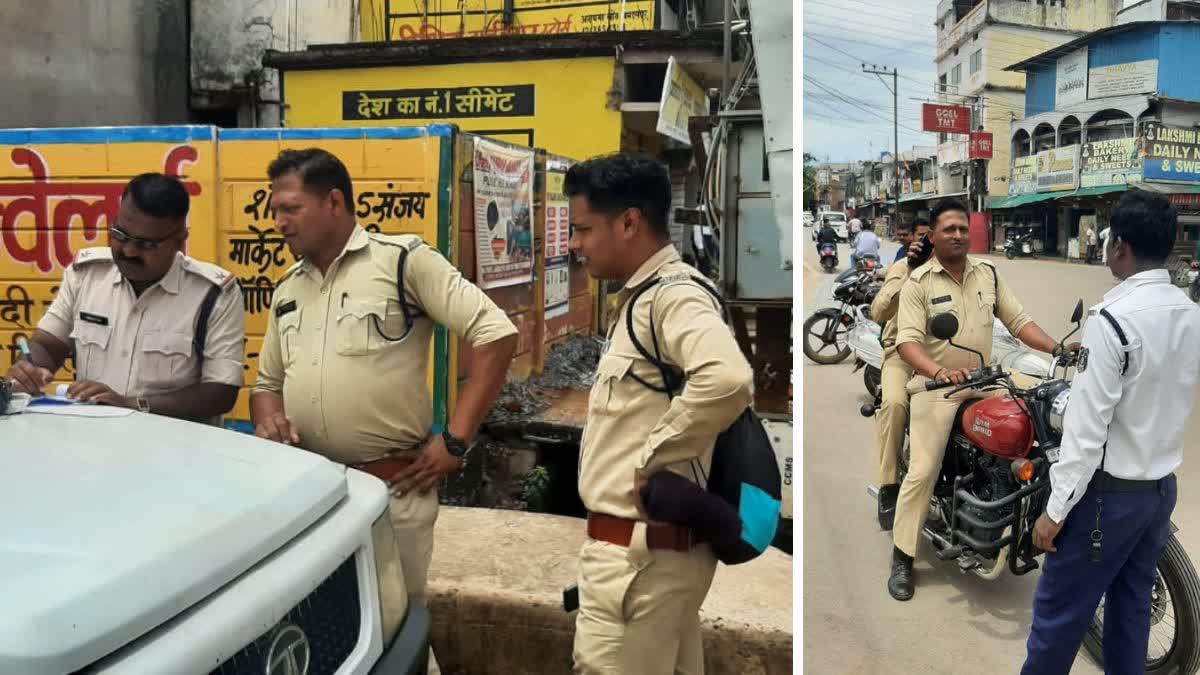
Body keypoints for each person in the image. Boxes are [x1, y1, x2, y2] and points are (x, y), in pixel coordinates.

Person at [250, 150, 518, 645]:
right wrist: (268, 420)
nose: (278, 222)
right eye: (274, 211)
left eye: (289, 208)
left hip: (392, 497)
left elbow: (496, 335)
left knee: (395, 636)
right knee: (332, 640)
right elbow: (266, 386)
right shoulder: (287, 288)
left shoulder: (402, 262)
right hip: (313, 502)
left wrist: (456, 441)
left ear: (333, 201)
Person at [565, 154, 753, 674]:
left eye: (583, 229)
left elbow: (728, 378)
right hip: (651, 559)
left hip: (637, 561)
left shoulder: (671, 298)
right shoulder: (641, 298)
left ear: (629, 222)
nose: (574, 244)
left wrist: (650, 461)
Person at [1022, 190, 1200, 674]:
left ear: (1119, 247)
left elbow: (1085, 434)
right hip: (1158, 492)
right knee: (1131, 609)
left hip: (1106, 499)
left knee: (1057, 619)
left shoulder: (1111, 320)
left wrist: (1053, 513)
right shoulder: (1189, 312)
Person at [888, 199, 1066, 601]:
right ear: (932, 236)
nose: (957, 235)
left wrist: (1058, 348)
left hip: (986, 379)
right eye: (948, 229)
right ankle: (902, 556)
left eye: (963, 229)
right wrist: (938, 372)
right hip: (937, 388)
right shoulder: (919, 283)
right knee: (923, 470)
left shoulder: (988, 274)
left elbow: (1019, 322)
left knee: (1035, 423)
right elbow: (907, 343)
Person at [5, 173, 243, 422]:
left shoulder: (213, 294)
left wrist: (131, 405)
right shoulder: (86, 274)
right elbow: (46, 345)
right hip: (92, 442)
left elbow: (220, 392)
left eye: (146, 244)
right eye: (120, 234)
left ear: (179, 241)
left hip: (175, 449)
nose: (128, 251)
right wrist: (28, 370)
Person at [869, 219, 931, 529]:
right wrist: (910, 268)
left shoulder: (957, 272)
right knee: (893, 404)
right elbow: (878, 312)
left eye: (931, 237)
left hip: (944, 358)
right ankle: (888, 485)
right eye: (922, 238)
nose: (927, 244)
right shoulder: (901, 267)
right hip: (901, 355)